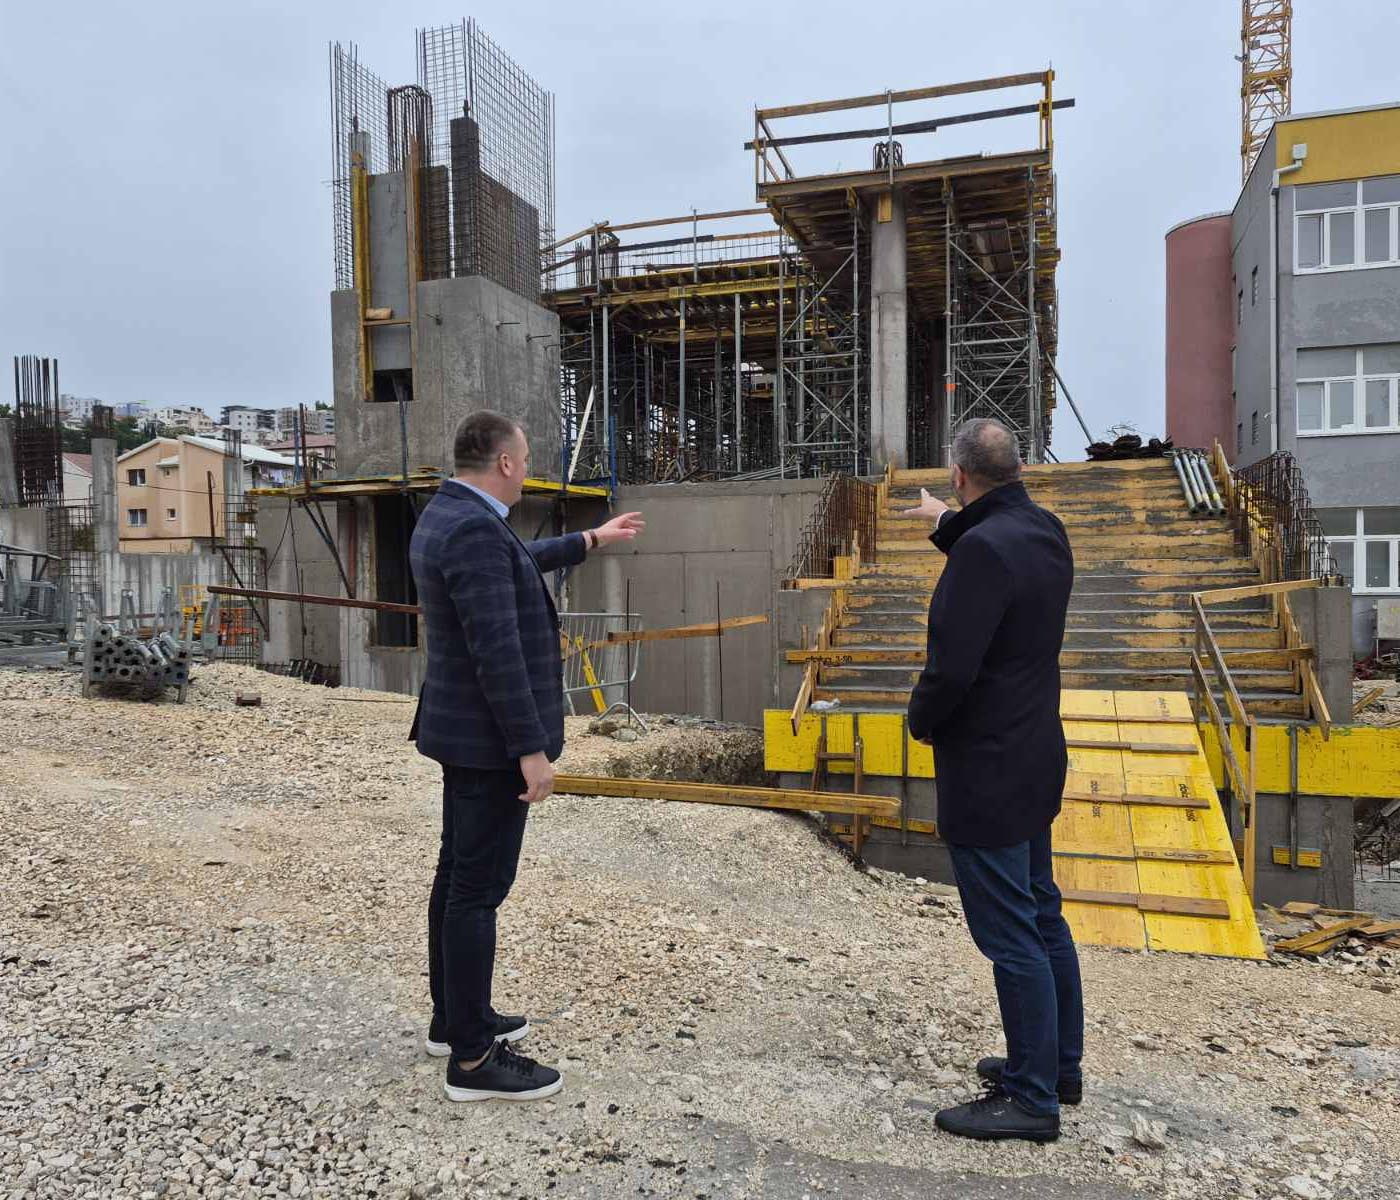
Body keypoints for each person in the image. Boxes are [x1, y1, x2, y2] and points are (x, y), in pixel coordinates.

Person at [408, 409, 644, 1103]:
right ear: (506, 463)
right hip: (489, 744)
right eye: (527, 459)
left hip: (462, 733)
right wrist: (531, 751)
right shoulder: (475, 528)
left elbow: (511, 566)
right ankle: (473, 1062)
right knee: (476, 890)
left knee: (457, 876)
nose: (529, 470)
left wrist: (589, 539)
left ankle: (455, 1020)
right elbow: (498, 651)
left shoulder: (449, 513)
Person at [902, 417, 1082, 1143]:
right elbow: (995, 555)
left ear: (959, 475)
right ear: (1018, 470)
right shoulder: (1044, 530)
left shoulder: (982, 551)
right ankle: (1058, 1067)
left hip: (988, 765)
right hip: (1035, 755)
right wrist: (945, 521)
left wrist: (920, 722)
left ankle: (1032, 1100)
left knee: (1011, 936)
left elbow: (951, 669)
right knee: (1042, 914)